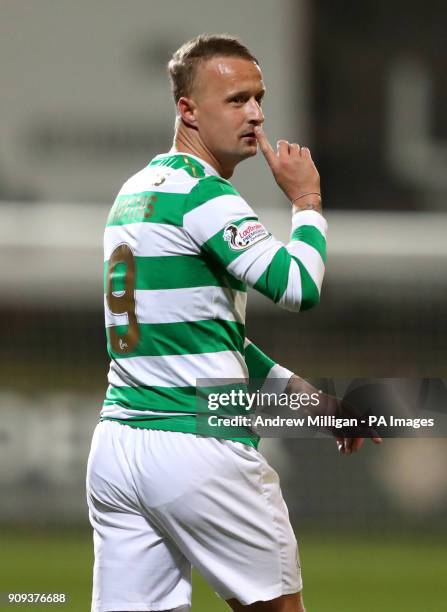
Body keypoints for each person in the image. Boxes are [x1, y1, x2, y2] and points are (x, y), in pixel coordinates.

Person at [86, 33, 379, 612]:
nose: (256, 114)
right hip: (196, 448)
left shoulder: (135, 192)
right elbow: (299, 286)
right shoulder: (204, 195)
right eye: (237, 99)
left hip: (118, 452)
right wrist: (308, 201)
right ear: (187, 109)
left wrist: (317, 407)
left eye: (259, 98)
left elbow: (221, 344)